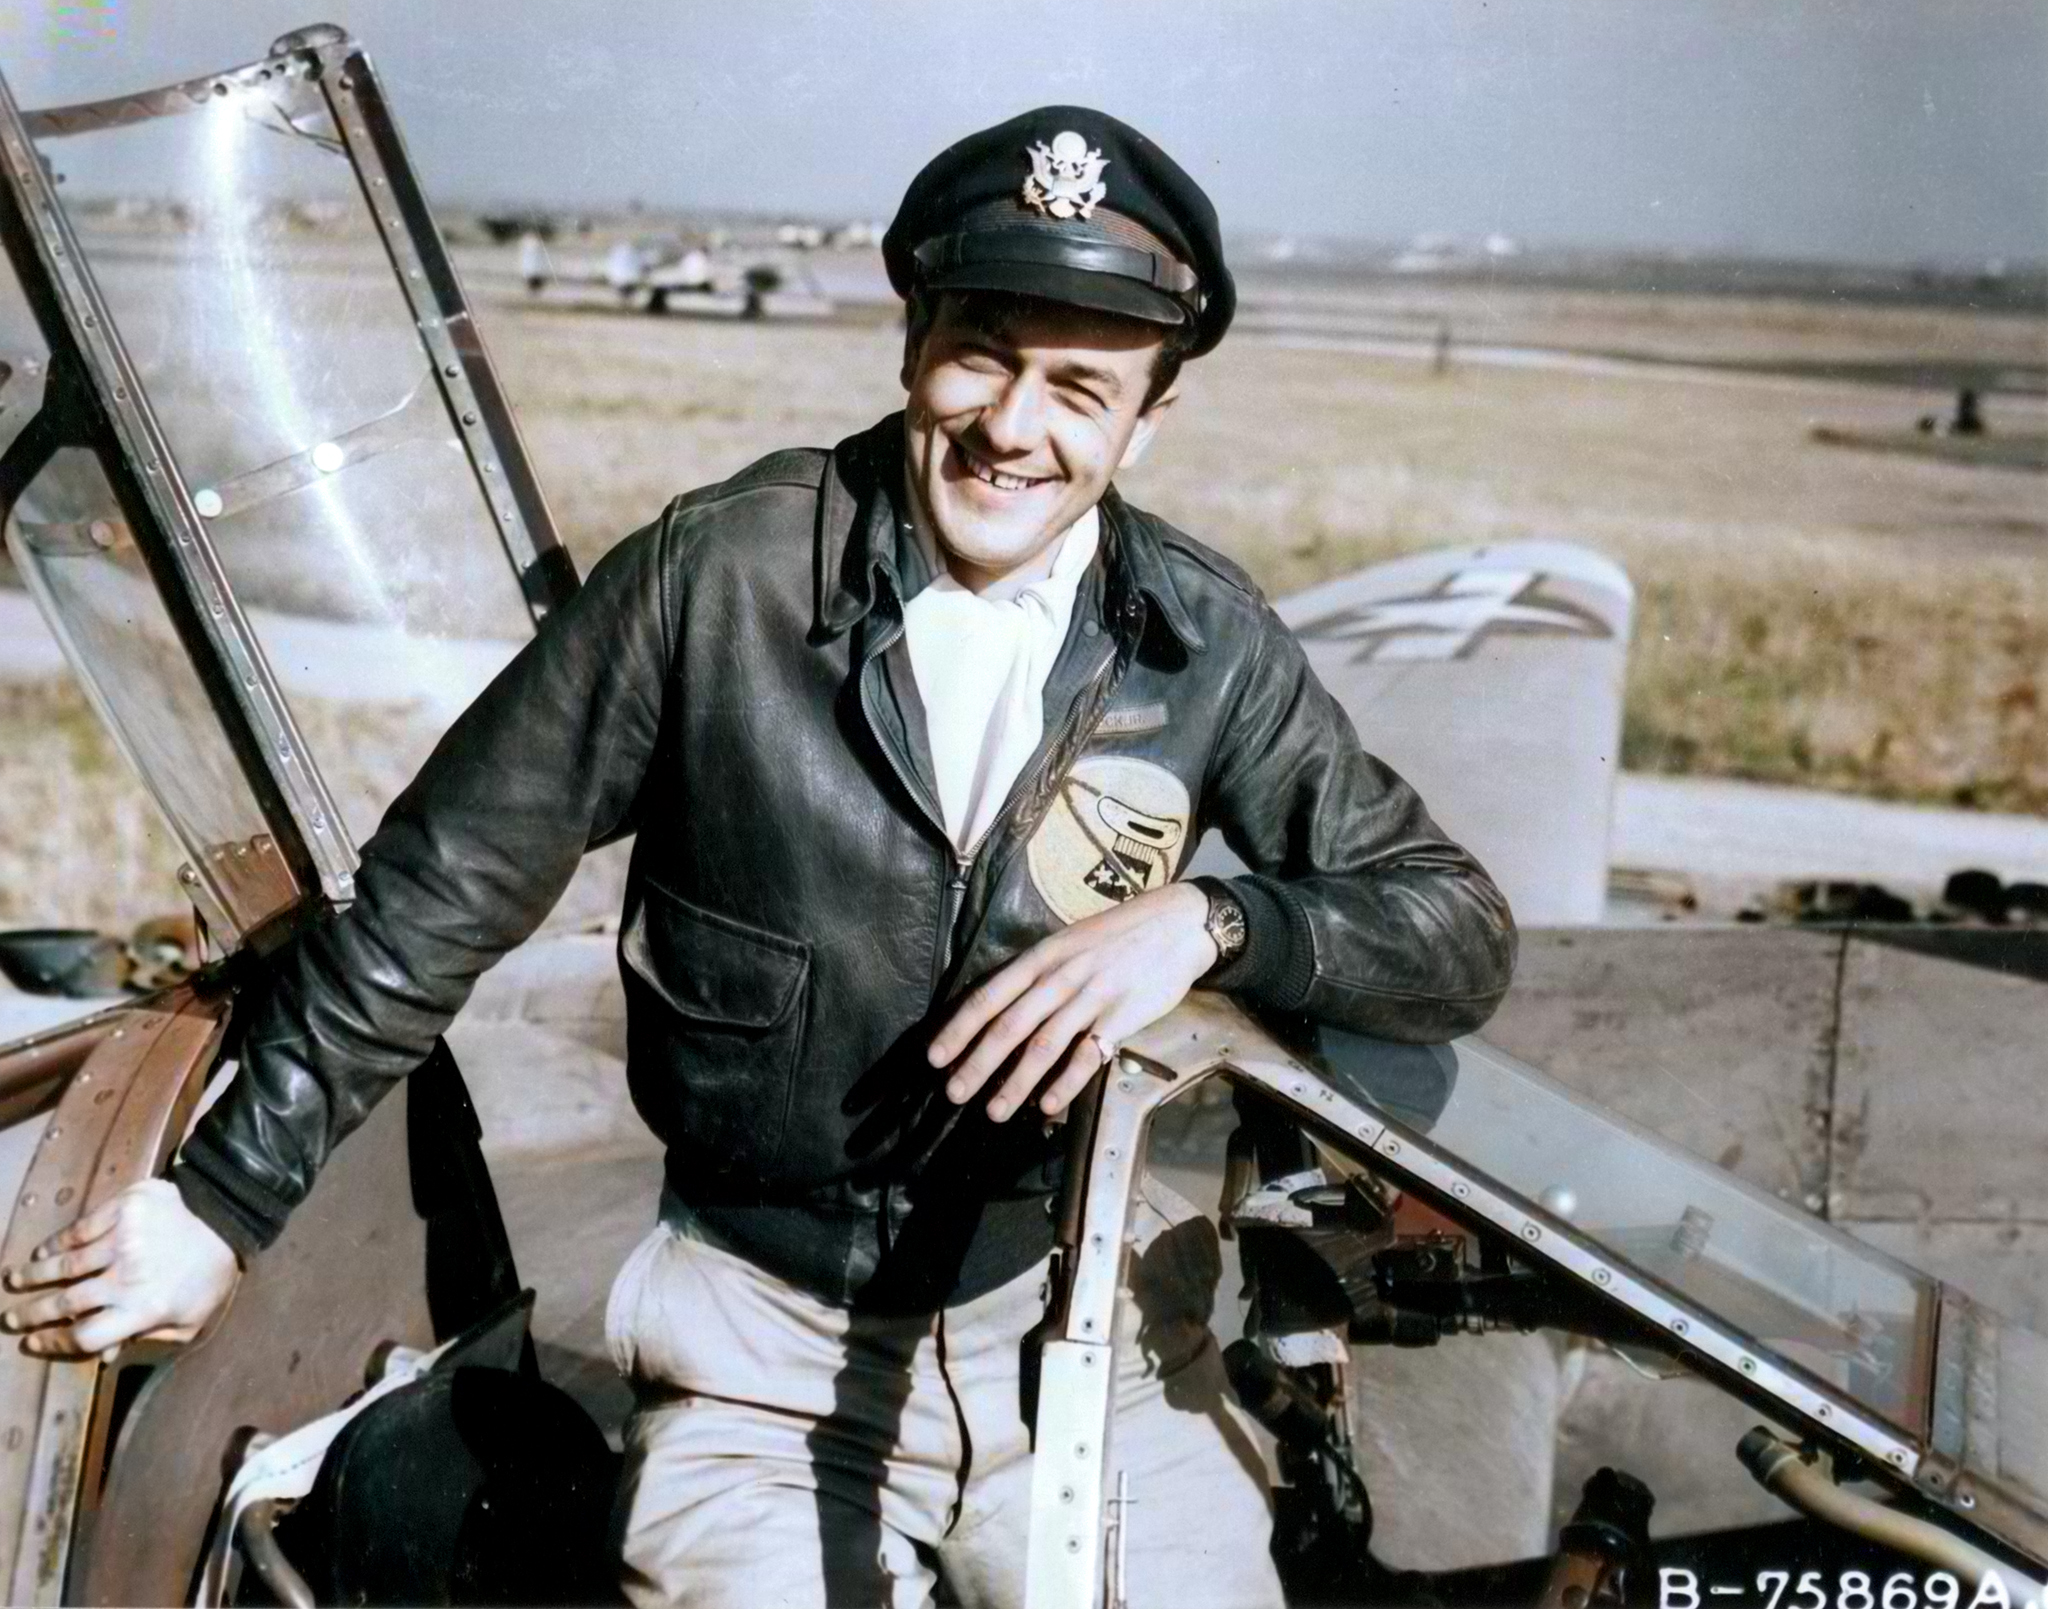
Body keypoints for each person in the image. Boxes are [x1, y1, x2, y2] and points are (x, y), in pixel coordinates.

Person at [1, 107, 1515, 1605]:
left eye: (1080, 388)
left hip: (1093, 1336)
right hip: (758, 1364)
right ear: (913, 342)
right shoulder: (710, 578)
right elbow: (439, 891)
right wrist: (221, 1202)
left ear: (1146, 423)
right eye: (981, 354)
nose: (1013, 427)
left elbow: (1451, 924)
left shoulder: (1202, 640)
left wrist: (1213, 922)